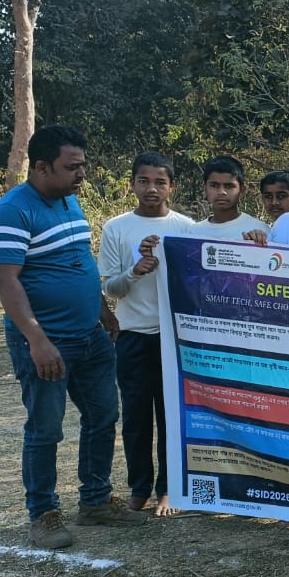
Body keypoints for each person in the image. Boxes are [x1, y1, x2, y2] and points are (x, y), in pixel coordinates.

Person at [0, 125, 149, 548]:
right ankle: (43, 514)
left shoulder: (69, 200)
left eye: (82, 165)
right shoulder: (12, 211)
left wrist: (102, 310)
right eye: (72, 167)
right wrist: (36, 340)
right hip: (46, 342)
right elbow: (6, 281)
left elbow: (78, 261)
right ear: (42, 167)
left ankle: (95, 501)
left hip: (89, 336)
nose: (82, 174)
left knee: (103, 417)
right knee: (46, 430)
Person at [100, 152, 194, 515]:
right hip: (133, 336)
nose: (151, 189)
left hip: (175, 337)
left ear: (172, 187)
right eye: (144, 181)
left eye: (160, 182)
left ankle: (169, 489)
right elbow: (111, 288)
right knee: (136, 417)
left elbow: (197, 282)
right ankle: (139, 488)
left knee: (172, 416)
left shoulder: (187, 227)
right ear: (132, 185)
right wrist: (136, 269)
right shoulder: (116, 228)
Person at [192, 157, 267, 241]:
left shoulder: (260, 231)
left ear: (242, 189)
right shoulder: (193, 232)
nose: (221, 192)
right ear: (205, 188)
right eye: (214, 185)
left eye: (229, 186)